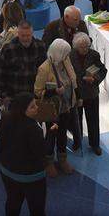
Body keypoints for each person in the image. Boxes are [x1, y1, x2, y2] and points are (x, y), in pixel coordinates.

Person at [0, 92, 48, 216]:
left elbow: (0, 143)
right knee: (37, 209)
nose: (37, 107)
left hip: (7, 172)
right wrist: (49, 134)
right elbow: (41, 153)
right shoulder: (34, 129)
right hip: (31, 178)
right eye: (32, 106)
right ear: (22, 110)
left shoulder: (5, 120)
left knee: (12, 202)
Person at [34, 38, 76, 177]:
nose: (67, 56)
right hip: (51, 110)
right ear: (59, 53)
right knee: (51, 136)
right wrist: (54, 91)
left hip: (65, 107)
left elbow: (72, 80)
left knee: (63, 134)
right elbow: (37, 91)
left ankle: (62, 159)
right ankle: (49, 162)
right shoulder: (44, 68)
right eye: (65, 53)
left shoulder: (65, 62)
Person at [69, 32, 106, 155]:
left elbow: (103, 70)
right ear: (76, 46)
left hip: (91, 93)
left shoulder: (94, 55)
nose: (85, 49)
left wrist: (95, 79)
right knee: (76, 119)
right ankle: (77, 142)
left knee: (93, 120)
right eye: (82, 47)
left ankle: (95, 144)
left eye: (87, 46)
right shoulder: (70, 55)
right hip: (77, 93)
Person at [0, 22, 47, 106]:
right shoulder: (8, 49)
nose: (25, 38)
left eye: (28, 35)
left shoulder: (40, 46)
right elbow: (1, 75)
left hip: (34, 97)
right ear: (18, 34)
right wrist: (4, 96)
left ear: (32, 33)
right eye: (23, 35)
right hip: (14, 97)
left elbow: (44, 71)